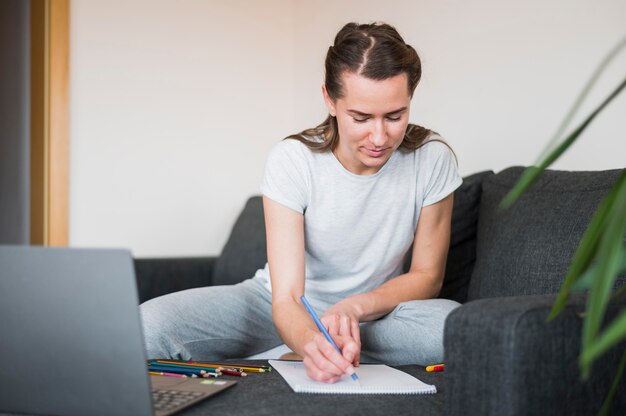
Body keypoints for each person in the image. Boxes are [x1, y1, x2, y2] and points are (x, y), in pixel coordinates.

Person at [140, 22, 462, 384]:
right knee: (146, 326)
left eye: (394, 116)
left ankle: (316, 349)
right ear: (329, 99)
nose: (379, 136)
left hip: (375, 316)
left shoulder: (432, 159)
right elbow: (288, 297)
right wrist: (310, 339)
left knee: (455, 328)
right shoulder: (293, 159)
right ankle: (304, 349)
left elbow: (427, 277)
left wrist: (354, 309)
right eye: (360, 118)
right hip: (277, 307)